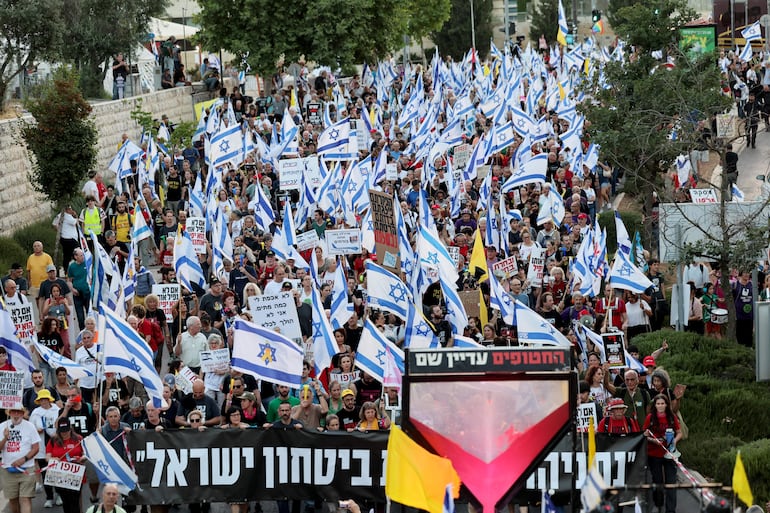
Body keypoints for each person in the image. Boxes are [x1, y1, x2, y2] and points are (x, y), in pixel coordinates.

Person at [643, 394, 682, 513]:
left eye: (662, 403)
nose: (660, 406)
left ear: (666, 405)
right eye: (658, 404)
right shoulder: (650, 417)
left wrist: (674, 441)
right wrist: (653, 440)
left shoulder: (671, 417)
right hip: (654, 454)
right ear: (655, 405)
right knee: (657, 481)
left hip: (670, 454)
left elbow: (679, 432)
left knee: (671, 482)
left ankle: (671, 510)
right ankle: (658, 505)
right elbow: (645, 434)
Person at [0, 406, 39, 513]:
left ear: (23, 413)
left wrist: (24, 459)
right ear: (9, 413)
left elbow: (36, 448)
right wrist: (5, 438)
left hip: (26, 468)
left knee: (25, 498)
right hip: (7, 468)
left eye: (19, 412)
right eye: (13, 412)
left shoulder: (30, 426)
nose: (16, 415)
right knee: (13, 500)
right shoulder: (2, 426)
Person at [45, 418, 85, 513]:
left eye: (66, 431)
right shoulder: (53, 440)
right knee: (66, 501)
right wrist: (52, 459)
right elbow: (47, 456)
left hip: (76, 474)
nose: (64, 433)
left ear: (70, 428)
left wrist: (81, 458)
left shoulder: (78, 438)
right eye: (62, 431)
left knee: (74, 501)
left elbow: (85, 453)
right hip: (60, 475)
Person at [30, 389, 61, 508]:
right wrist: (36, 431)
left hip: (56, 444)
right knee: (45, 473)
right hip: (42, 446)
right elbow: (31, 429)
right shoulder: (36, 412)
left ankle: (58, 494)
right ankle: (49, 497)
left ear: (49, 399)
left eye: (45, 399)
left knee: (57, 471)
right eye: (41, 399)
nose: (43, 401)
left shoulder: (56, 410)